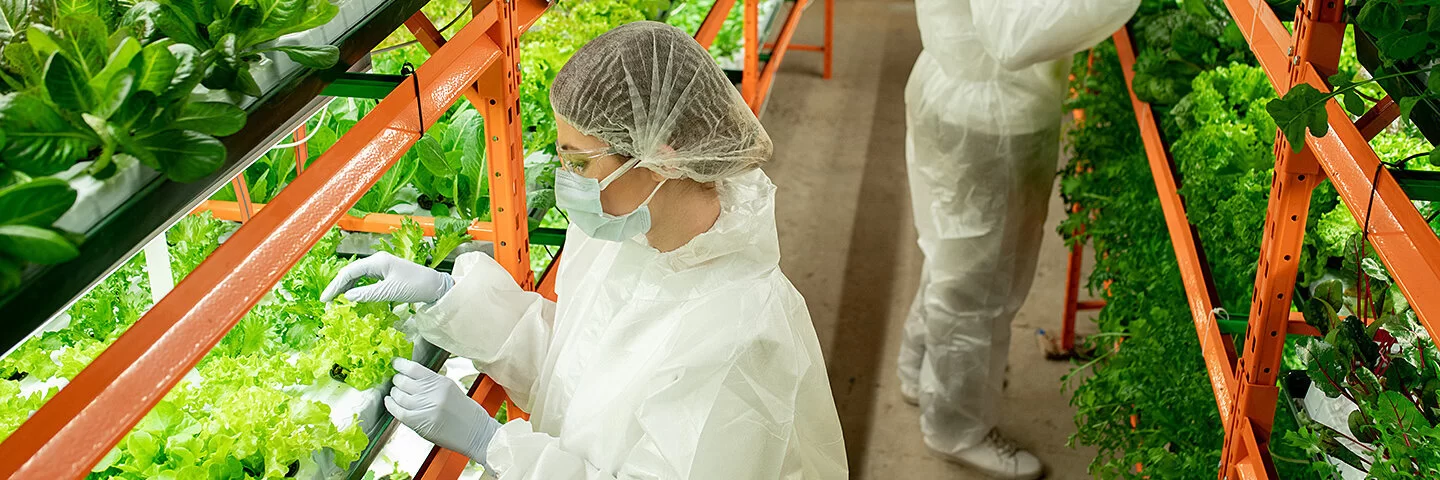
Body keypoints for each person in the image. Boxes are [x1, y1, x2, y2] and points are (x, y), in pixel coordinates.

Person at [321, 21, 848, 479]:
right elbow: (579, 366)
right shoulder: (629, 234)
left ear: (661, 157)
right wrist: (449, 297)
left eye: (578, 162)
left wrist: (493, 445)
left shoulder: (740, 337)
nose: (567, 181)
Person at [895, 0, 1138, 478]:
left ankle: (918, 370)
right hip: (992, 116)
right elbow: (1014, 36)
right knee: (979, 287)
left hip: (953, 84)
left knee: (950, 253)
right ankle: (956, 429)